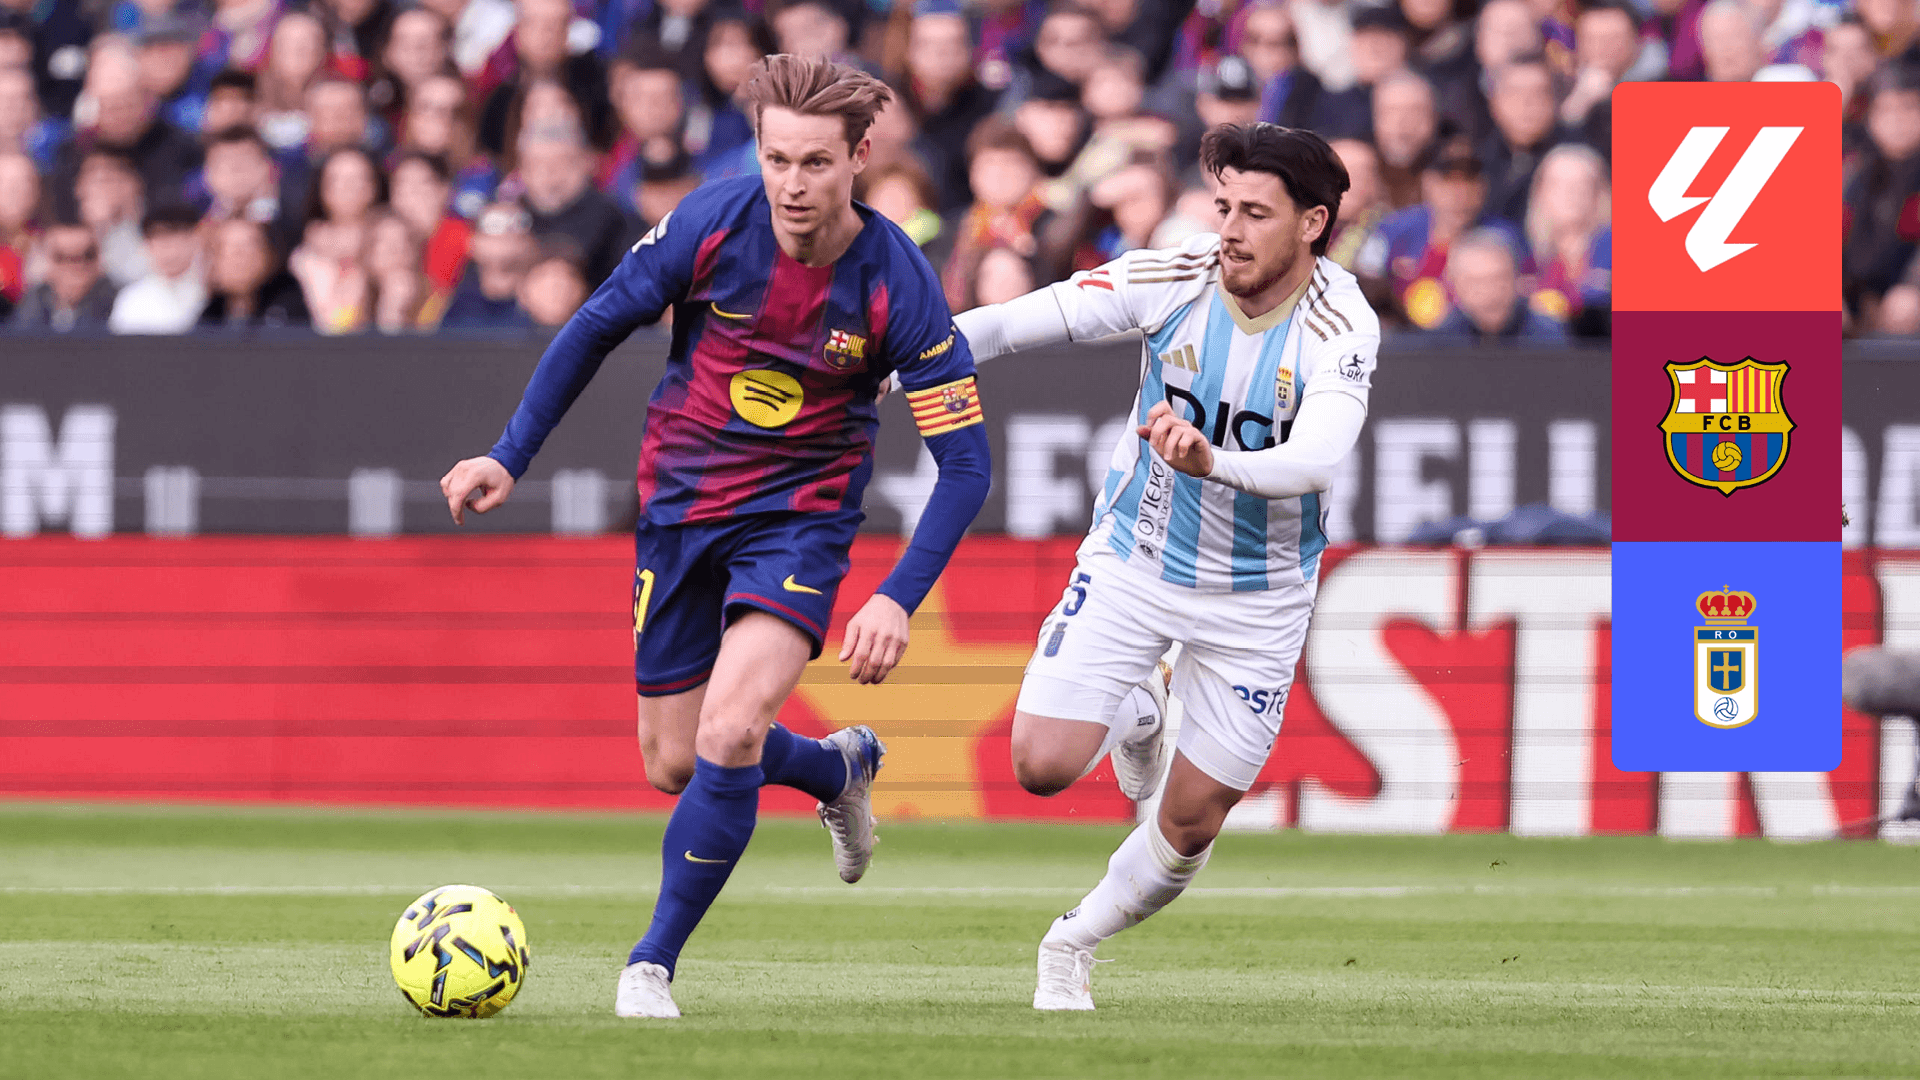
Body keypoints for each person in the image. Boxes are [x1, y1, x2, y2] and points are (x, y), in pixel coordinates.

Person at [436, 54, 992, 1019]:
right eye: (777, 159)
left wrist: (898, 596)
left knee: (731, 729)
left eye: (815, 162)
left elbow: (968, 465)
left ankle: (650, 965)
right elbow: (596, 325)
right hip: (680, 513)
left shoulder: (898, 281)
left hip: (798, 523)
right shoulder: (712, 224)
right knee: (676, 762)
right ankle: (832, 766)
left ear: (860, 157)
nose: (792, 184)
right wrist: (509, 454)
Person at [945, 122, 1378, 1010]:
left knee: (1189, 825)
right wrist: (909, 357)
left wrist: (1212, 462)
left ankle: (1072, 942)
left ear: (1313, 224)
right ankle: (1143, 707)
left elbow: (1318, 458)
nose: (1230, 230)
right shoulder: (1174, 275)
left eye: (1256, 213)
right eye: (1224, 206)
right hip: (1138, 558)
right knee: (1039, 766)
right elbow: (1024, 320)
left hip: (1260, 599)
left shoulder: (1341, 322)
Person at [109, 203, 208, 334]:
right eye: (162, 242)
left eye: (178, 240)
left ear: (195, 240)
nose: (171, 252)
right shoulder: (132, 299)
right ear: (147, 245)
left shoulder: (209, 293)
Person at [11, 221, 121, 330]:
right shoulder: (35, 300)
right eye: (61, 257)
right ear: (46, 261)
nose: (76, 266)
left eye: (88, 255)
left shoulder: (118, 301)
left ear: (100, 259)